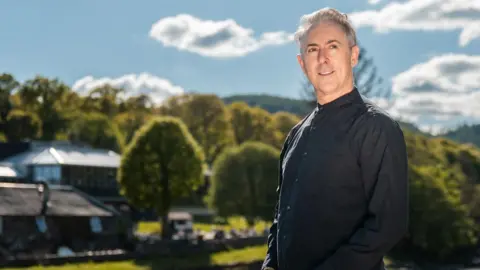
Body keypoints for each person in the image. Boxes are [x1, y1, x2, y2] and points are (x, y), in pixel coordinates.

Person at [261, 7, 409, 270]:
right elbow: (282, 215)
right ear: (302, 63)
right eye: (312, 50)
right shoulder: (295, 134)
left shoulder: (377, 128)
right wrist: (270, 264)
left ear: (353, 55)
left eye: (333, 47)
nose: (323, 58)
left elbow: (388, 225)